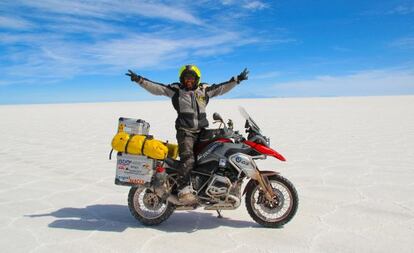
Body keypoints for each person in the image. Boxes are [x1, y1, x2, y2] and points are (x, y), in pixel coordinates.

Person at [126, 65, 248, 203]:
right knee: (189, 159)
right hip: (186, 132)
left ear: (196, 79)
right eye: (186, 77)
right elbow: (157, 88)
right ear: (182, 79)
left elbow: (221, 88)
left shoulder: (204, 90)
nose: (189, 80)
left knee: (220, 147)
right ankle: (183, 188)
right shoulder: (176, 90)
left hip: (202, 131)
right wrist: (140, 80)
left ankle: (217, 186)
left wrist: (237, 80)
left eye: (191, 77)